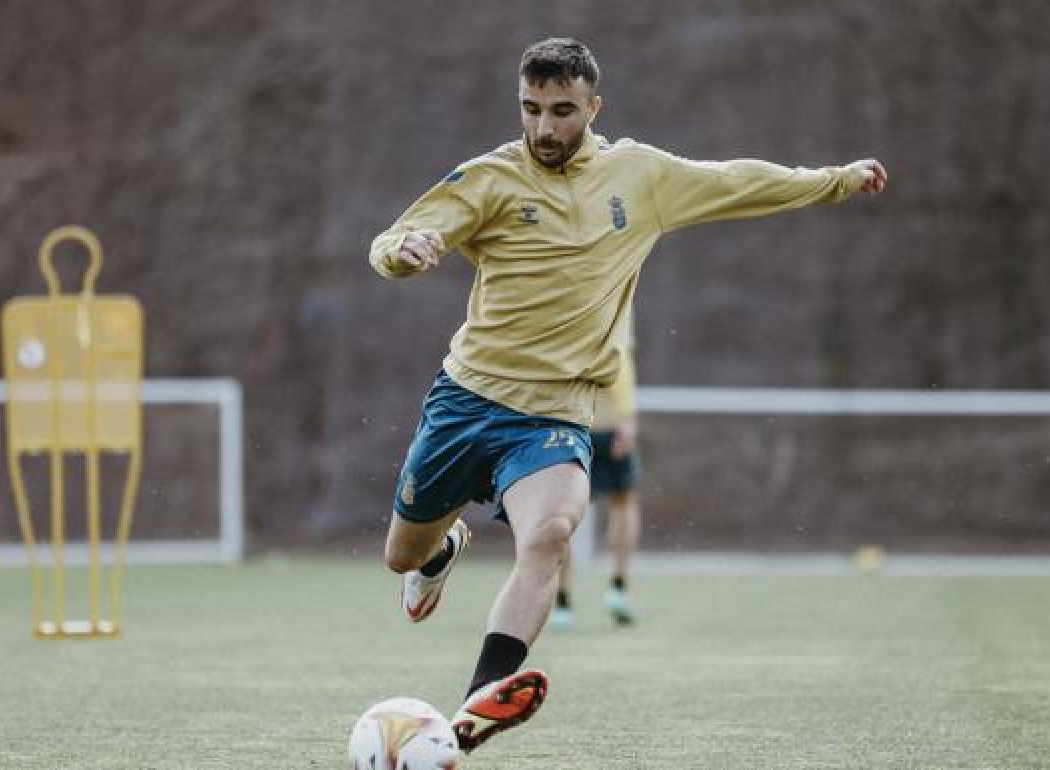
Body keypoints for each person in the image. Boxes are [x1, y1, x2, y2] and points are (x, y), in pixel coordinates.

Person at [369, 37, 887, 755]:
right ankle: (435, 554)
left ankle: (470, 713)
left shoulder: (638, 176)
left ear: (593, 106)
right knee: (400, 555)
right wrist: (406, 252)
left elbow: (739, 181)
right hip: (468, 399)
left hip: (555, 414)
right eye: (530, 109)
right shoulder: (489, 179)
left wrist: (835, 179)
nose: (544, 128)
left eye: (561, 111)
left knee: (549, 536)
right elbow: (399, 236)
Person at [551, 340, 641, 629]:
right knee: (620, 502)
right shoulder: (613, 300)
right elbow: (620, 360)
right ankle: (618, 587)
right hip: (602, 421)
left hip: (570, 422)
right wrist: (626, 415)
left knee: (562, 513)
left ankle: (563, 601)